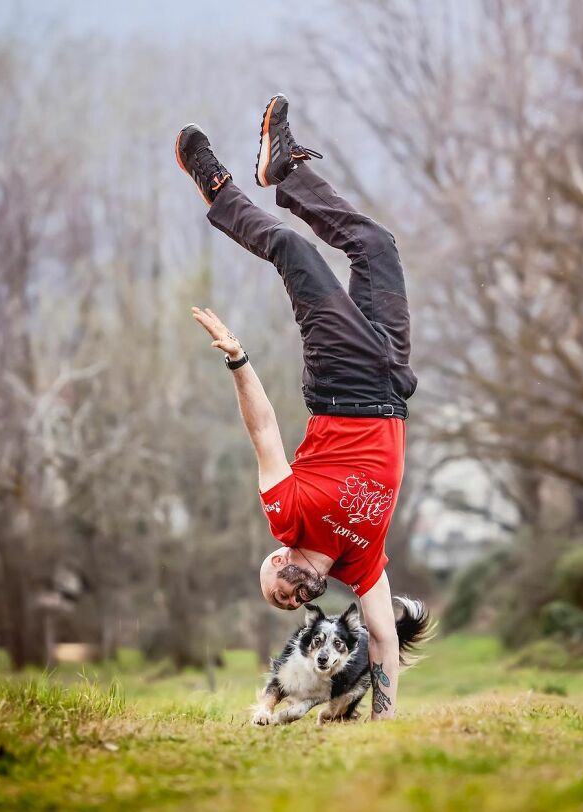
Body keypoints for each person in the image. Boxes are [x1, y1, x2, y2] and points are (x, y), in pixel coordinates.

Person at [176, 94, 417, 719]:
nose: (285, 600)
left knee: (297, 253)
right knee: (377, 246)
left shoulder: (289, 517)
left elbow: (263, 429)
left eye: (276, 595)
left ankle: (219, 192)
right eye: (286, 603)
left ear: (282, 561)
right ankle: (285, 170)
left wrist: (237, 359)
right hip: (392, 384)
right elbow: (385, 640)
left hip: (344, 382)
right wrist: (384, 720)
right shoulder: (362, 565)